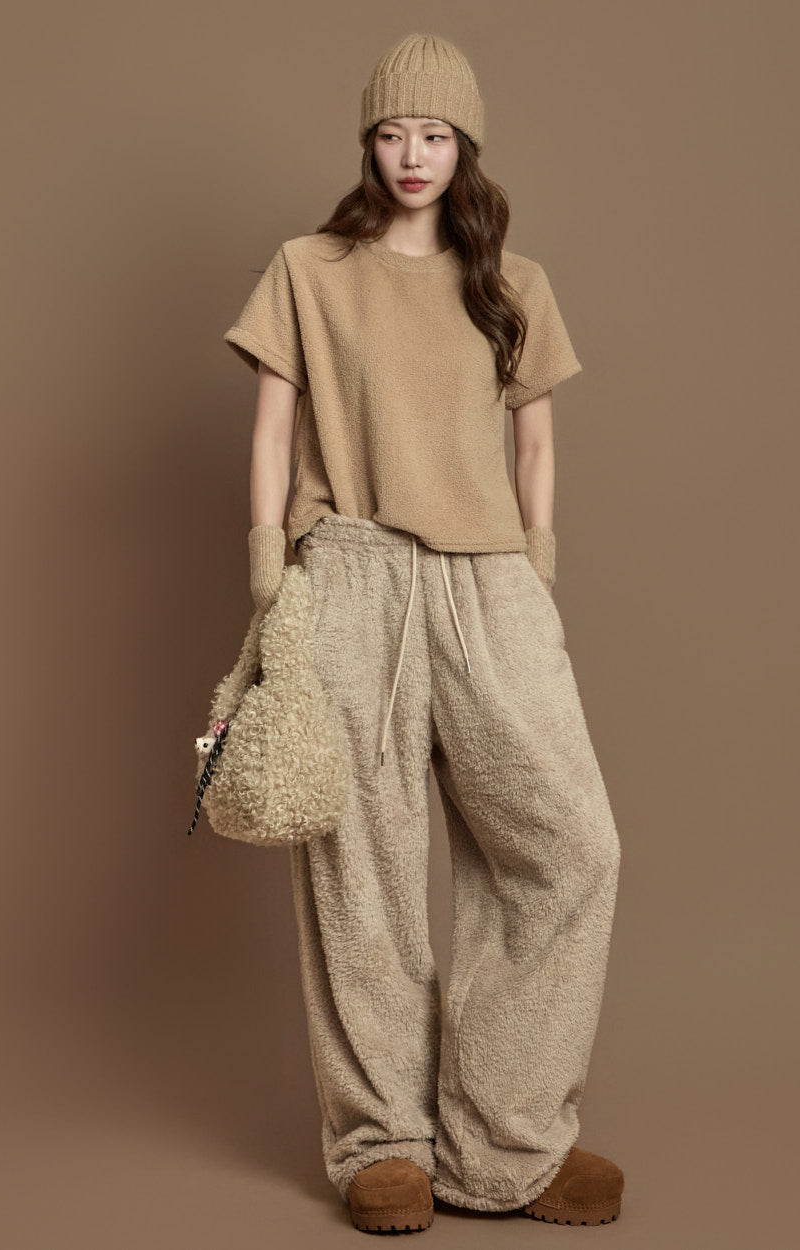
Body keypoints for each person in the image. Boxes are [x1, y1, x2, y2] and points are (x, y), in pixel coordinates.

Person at [222, 31, 624, 1234]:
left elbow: (536, 439)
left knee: (570, 843)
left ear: (465, 148)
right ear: (369, 142)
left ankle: (507, 1137)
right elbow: (272, 426)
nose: (413, 154)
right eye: (394, 132)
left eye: (436, 134)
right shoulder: (309, 269)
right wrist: (268, 570)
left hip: (488, 583)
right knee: (363, 869)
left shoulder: (513, 282)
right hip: (348, 570)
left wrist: (534, 569)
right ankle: (381, 1142)